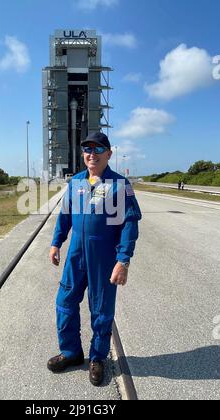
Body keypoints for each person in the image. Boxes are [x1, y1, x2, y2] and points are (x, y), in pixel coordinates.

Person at [48, 132, 142, 386]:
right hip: (76, 256)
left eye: (98, 149)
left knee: (101, 311)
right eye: (88, 149)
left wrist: (123, 261)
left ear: (109, 154)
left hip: (103, 259)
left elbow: (129, 225)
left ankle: (97, 358)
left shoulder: (120, 185)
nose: (92, 154)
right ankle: (71, 352)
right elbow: (64, 215)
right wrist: (56, 242)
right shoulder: (76, 182)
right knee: (64, 302)